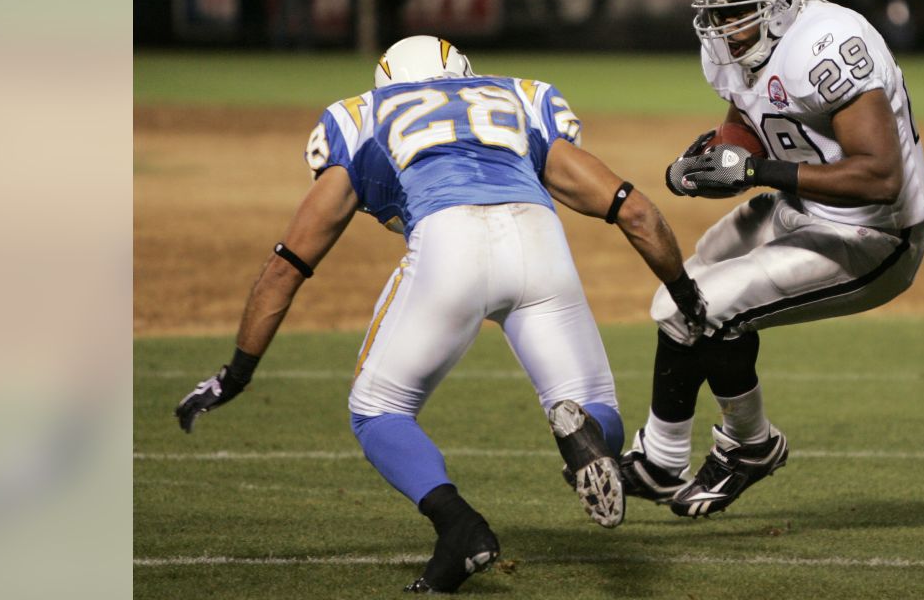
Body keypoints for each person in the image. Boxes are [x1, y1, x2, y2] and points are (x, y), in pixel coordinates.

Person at [173, 35, 706, 593]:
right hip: (539, 239)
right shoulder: (521, 100)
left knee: (377, 409)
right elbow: (636, 211)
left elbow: (289, 264)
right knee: (595, 404)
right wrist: (685, 294)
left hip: (447, 244)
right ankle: (588, 436)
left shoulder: (360, 117)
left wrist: (236, 374)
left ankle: (460, 528)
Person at [619, 0, 924, 518]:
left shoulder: (830, 44)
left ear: (781, 1)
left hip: (874, 233)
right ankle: (664, 457)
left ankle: (747, 447)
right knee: (676, 302)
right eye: (712, 13)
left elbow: (879, 176)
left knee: (710, 305)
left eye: (734, 11)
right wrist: (720, 154)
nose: (720, 29)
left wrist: (758, 170)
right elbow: (746, 110)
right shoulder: (735, 46)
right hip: (804, 207)